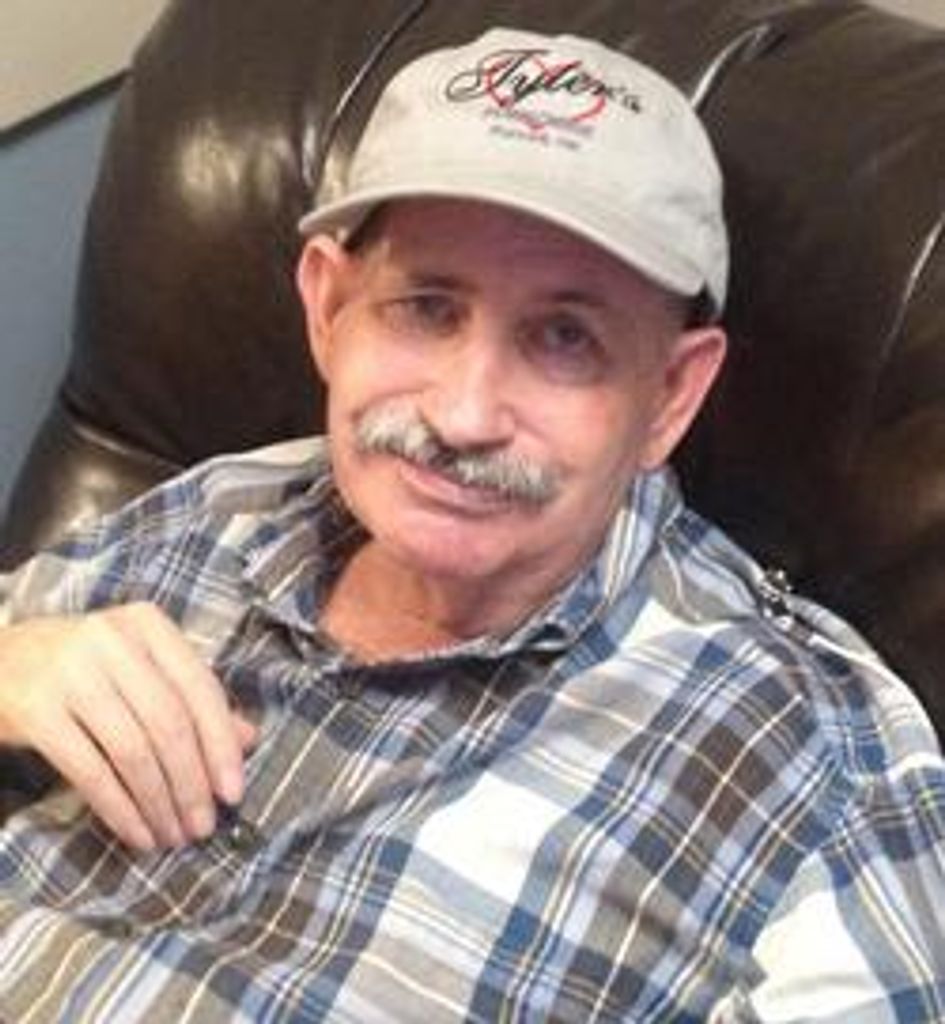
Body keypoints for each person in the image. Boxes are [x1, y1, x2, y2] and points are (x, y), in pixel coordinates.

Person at [0, 25, 942, 1023]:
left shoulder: (815, 769)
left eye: (565, 337)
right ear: (328, 308)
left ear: (670, 395)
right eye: (425, 307)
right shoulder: (215, 512)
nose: (462, 414)